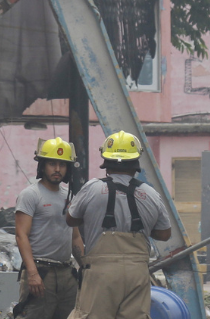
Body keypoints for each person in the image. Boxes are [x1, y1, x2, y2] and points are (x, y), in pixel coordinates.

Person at [65, 131, 172, 319]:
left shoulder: (92, 188)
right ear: (136, 160)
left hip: (100, 274)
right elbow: (164, 234)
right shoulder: (151, 194)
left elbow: (71, 219)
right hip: (136, 273)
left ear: (106, 159)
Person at [14, 137, 84, 319]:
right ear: (42, 166)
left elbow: (75, 236)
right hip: (41, 273)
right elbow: (21, 236)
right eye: (52, 164)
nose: (57, 169)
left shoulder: (69, 197)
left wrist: (86, 267)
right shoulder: (30, 195)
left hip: (66, 274)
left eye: (62, 165)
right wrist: (32, 273)